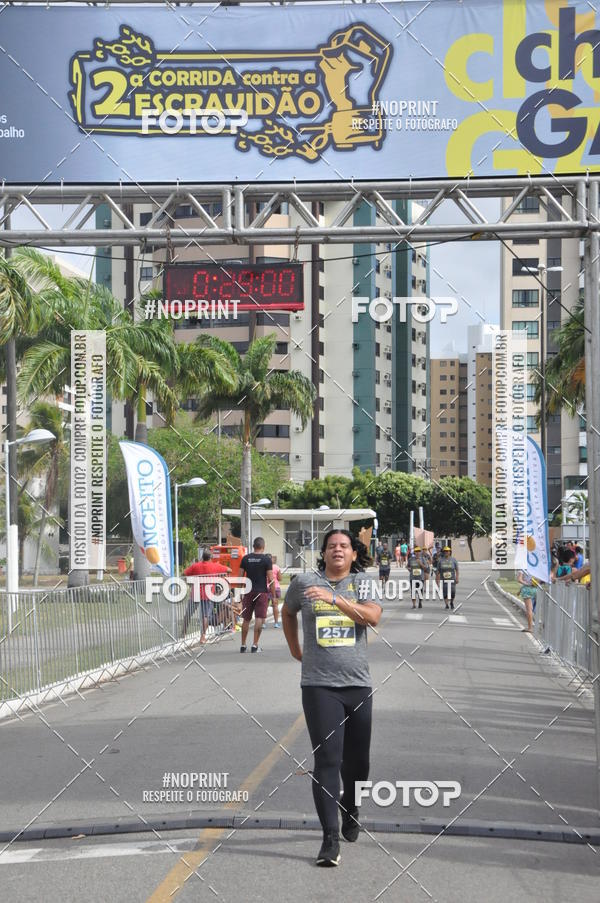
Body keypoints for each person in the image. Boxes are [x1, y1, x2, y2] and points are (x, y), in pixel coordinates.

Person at [282, 529, 382, 867]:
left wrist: (334, 599)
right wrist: (296, 649)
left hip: (357, 684)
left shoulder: (363, 582)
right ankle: (329, 840)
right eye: (331, 546)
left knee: (358, 763)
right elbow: (287, 612)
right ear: (323, 553)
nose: (337, 550)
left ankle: (350, 807)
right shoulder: (304, 583)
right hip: (318, 685)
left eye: (344, 546)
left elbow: (372, 617)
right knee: (327, 760)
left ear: (354, 554)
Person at [182, 551, 231, 642]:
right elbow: (229, 570)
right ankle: (203, 637)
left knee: (188, 614)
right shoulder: (215, 566)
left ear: (202, 557)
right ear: (210, 558)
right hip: (208, 595)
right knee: (205, 616)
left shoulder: (195, 566)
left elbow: (184, 574)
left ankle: (183, 634)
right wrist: (220, 575)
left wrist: (189, 582)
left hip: (195, 593)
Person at [239, 537, 275, 653]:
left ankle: (243, 645)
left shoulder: (245, 559)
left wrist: (239, 593)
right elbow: (271, 579)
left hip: (248, 592)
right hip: (261, 592)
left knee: (246, 619)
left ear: (253, 546)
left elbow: (240, 578)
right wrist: (273, 596)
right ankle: (255, 645)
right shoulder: (266, 560)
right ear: (263, 547)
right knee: (259, 618)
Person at [269, 555, 282, 628]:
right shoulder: (276, 567)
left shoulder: (263, 567)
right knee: (275, 605)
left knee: (264, 606)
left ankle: (263, 624)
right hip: (276, 587)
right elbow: (280, 578)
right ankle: (276, 623)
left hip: (266, 587)